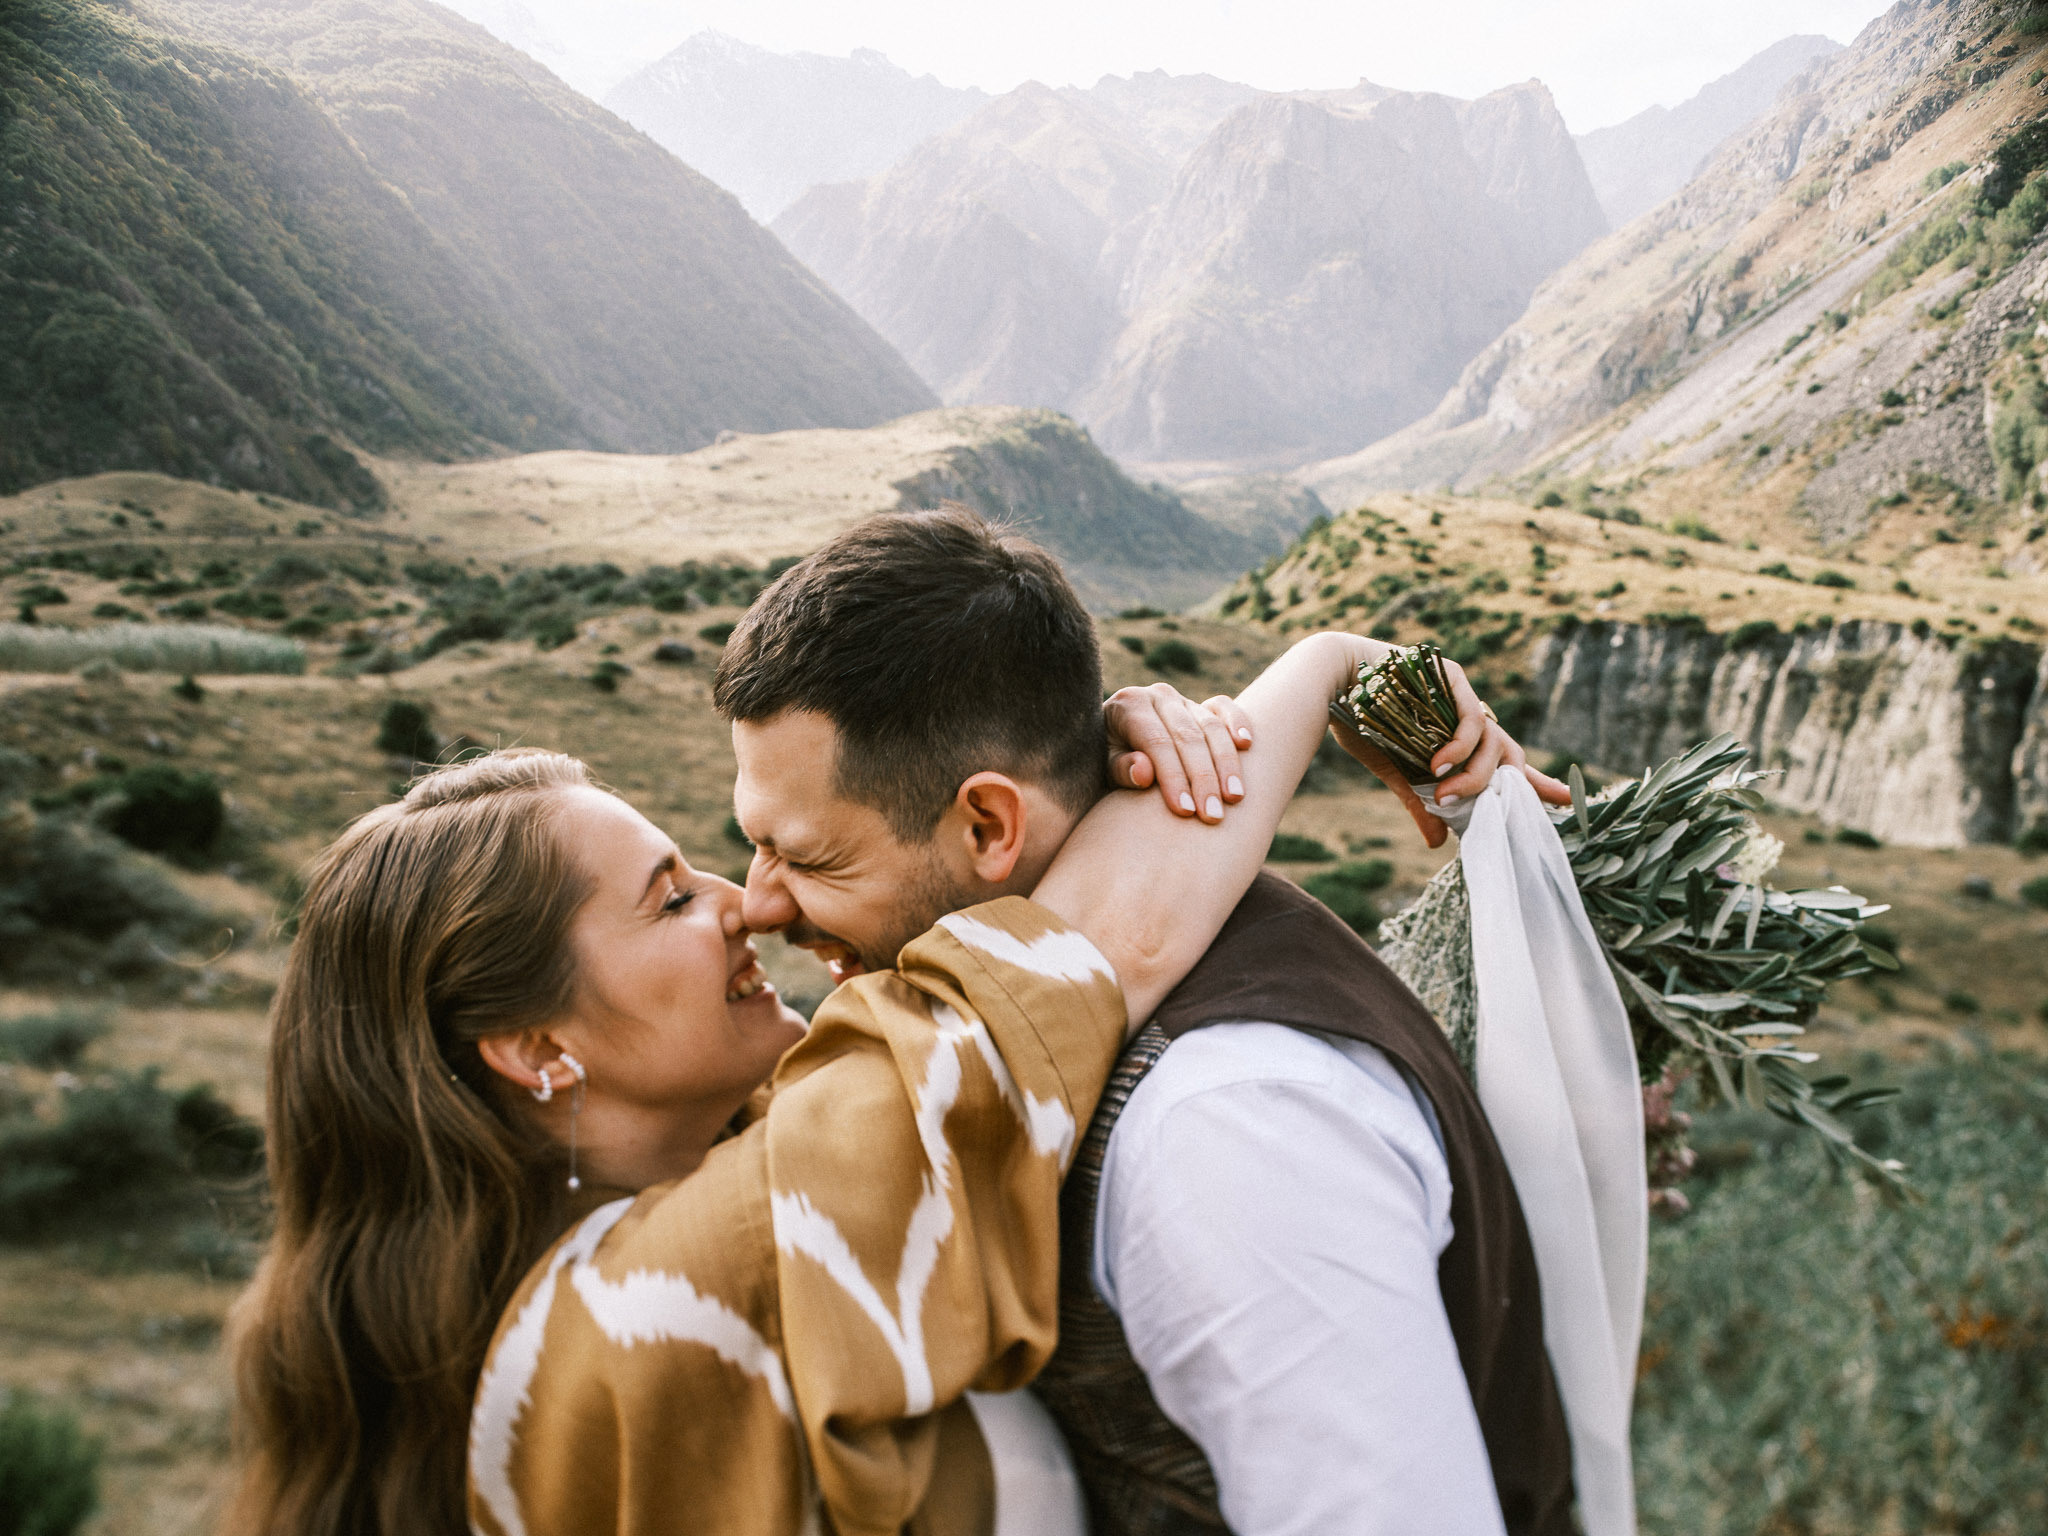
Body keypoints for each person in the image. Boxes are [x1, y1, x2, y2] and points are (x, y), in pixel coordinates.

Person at [716, 508, 1579, 1535]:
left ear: (989, 823)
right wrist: (1326, 668)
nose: (756, 905)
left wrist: (1328, 670)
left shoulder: (1226, 1124)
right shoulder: (1048, 1033)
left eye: (809, 859)